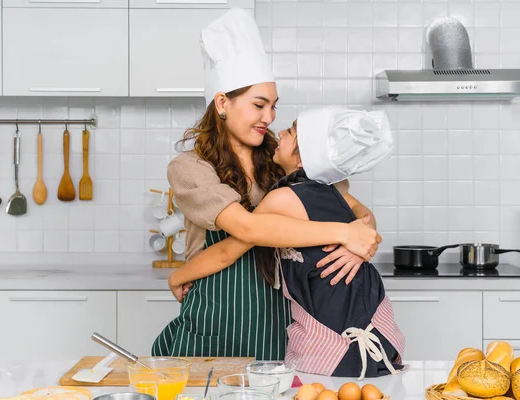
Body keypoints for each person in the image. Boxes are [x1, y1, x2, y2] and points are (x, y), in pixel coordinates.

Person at [151, 8, 381, 360]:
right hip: (211, 320)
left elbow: (359, 216)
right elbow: (247, 228)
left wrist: (355, 242)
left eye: (273, 107)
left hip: (277, 320)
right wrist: (343, 233)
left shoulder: (283, 159)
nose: (270, 117)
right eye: (259, 105)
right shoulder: (190, 169)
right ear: (223, 102)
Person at [167, 107, 404, 379]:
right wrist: (355, 238)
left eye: (290, 132)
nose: (277, 130)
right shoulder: (330, 192)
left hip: (333, 340)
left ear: (304, 158)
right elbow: (365, 217)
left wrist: (177, 277)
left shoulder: (281, 199)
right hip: (375, 325)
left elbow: (226, 251)